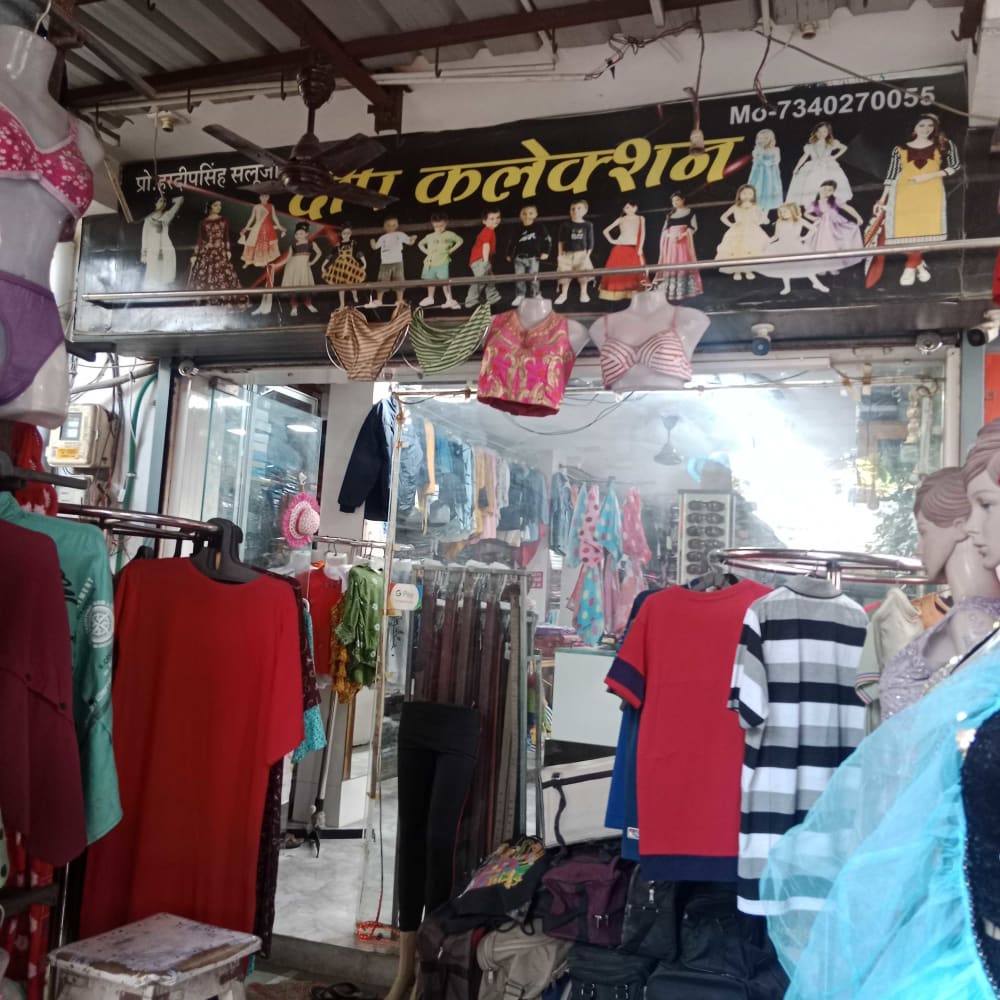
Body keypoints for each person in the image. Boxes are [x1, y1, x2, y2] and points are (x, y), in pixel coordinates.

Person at [873, 113, 961, 287]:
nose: (926, 129)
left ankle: (910, 266)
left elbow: (955, 166)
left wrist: (929, 176)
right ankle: (916, 264)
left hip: (931, 191)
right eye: (922, 125)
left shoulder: (944, 144)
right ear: (914, 128)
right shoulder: (899, 149)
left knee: (926, 228)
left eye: (930, 125)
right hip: (904, 192)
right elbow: (891, 174)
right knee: (906, 231)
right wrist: (882, 199)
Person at [755, 202, 829, 295]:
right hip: (782, 247)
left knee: (806, 268)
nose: (783, 214)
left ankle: (817, 284)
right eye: (781, 212)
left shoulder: (799, 220)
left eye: (785, 212)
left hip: (796, 247)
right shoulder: (779, 221)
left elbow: (814, 229)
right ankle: (787, 287)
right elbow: (776, 236)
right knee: (784, 268)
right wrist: (767, 243)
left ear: (792, 211)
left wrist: (804, 238)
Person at [188, 200, 248, 309]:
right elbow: (200, 239)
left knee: (224, 276)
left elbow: (226, 236)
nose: (219, 207)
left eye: (220, 205)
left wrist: (228, 250)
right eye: (216, 205)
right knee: (206, 276)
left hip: (220, 251)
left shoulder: (224, 219)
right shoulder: (203, 222)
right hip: (206, 252)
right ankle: (208, 303)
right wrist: (195, 254)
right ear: (210, 207)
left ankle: (224, 302)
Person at [785, 121, 852, 208]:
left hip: (828, 166)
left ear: (828, 132)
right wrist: (796, 168)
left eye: (824, 132)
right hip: (813, 166)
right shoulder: (810, 146)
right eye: (819, 132)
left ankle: (829, 204)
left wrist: (834, 157)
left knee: (829, 183)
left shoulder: (831, 143)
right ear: (815, 132)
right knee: (812, 184)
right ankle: (814, 205)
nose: (821, 134)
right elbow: (804, 157)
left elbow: (844, 147)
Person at [804, 180, 864, 274]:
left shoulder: (835, 200)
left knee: (834, 244)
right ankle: (822, 266)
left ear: (833, 192)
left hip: (835, 225)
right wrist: (814, 218)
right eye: (824, 189)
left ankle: (834, 265)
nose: (826, 191)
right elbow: (806, 213)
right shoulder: (814, 203)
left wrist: (858, 217)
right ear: (819, 189)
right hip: (822, 227)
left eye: (830, 190)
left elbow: (848, 208)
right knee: (823, 245)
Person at [715, 184, 769, 281]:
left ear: (753, 195)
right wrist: (732, 225)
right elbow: (723, 217)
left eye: (749, 193)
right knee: (737, 251)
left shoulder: (756, 207)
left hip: (752, 232)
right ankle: (737, 271)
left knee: (750, 250)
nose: (746, 195)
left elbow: (764, 219)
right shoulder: (736, 206)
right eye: (744, 193)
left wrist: (758, 223)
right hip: (738, 232)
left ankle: (748, 270)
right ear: (739, 195)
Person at [656, 192, 702, 301]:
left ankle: (685, 291)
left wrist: (683, 235)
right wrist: (671, 236)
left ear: (683, 200)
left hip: (684, 243)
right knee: (672, 264)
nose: (675, 203)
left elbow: (694, 227)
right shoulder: (670, 215)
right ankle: (672, 292)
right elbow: (664, 230)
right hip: (672, 244)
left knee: (683, 263)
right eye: (673, 201)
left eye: (677, 200)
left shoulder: (690, 212)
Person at [598, 200, 646, 301]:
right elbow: (605, 231)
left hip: (634, 249)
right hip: (620, 248)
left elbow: (642, 234)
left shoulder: (640, 218)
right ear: (623, 209)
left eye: (631, 207)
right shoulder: (621, 219)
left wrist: (640, 248)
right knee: (618, 274)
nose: (629, 209)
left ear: (636, 208)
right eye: (626, 207)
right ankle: (618, 297)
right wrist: (612, 241)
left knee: (633, 274)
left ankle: (631, 296)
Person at [270, 222, 321, 316]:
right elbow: (287, 258)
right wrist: (276, 265)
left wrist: (312, 262)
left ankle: (308, 304)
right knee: (294, 287)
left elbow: (319, 253)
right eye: (296, 234)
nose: (298, 235)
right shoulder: (293, 245)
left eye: (301, 233)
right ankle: (294, 306)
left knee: (306, 286)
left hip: (304, 269)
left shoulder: (311, 244)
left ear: (306, 234)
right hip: (292, 269)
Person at [505, 203, 551, 305]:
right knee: (519, 277)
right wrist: (508, 254)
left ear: (535, 214)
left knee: (534, 277)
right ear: (520, 215)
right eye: (524, 213)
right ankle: (520, 295)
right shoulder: (517, 228)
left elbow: (547, 240)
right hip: (519, 258)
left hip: (533, 257)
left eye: (530, 213)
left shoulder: (539, 226)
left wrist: (546, 252)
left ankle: (535, 294)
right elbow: (511, 242)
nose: (527, 216)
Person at [366, 214, 415, 308]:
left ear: (397, 225)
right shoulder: (383, 237)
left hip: (398, 262)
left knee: (399, 280)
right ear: (384, 226)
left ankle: (400, 300)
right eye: (388, 225)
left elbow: (410, 242)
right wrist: (372, 241)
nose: (391, 227)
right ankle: (379, 299)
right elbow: (375, 247)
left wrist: (413, 238)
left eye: (394, 225)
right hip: (385, 262)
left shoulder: (400, 234)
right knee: (382, 281)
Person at [418, 213, 463, 309]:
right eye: (436, 226)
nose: (439, 228)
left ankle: (449, 299)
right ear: (433, 225)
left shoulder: (450, 234)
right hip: (430, 263)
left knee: (445, 281)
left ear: (446, 223)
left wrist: (451, 250)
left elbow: (460, 240)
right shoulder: (429, 236)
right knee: (430, 281)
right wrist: (427, 252)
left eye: (441, 225)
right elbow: (420, 244)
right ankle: (430, 297)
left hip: (442, 262)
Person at [555, 199, 595, 305]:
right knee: (564, 274)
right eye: (572, 209)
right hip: (567, 254)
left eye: (579, 208)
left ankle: (584, 293)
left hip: (582, 254)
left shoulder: (588, 225)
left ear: (585, 211)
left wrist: (587, 255)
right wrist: (560, 255)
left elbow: (590, 241)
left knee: (583, 274)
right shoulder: (565, 225)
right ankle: (563, 294)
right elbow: (560, 241)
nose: (575, 211)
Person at [140, 193, 183, 289]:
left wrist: (173, 200)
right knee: (153, 274)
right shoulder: (148, 219)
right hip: (152, 248)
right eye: (160, 201)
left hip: (166, 248)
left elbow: (180, 201)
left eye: (164, 201)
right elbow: (144, 236)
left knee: (165, 275)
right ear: (155, 203)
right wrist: (144, 254)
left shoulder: (167, 216)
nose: (163, 203)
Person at [322, 222, 367, 308]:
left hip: (350, 265)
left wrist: (364, 263)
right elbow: (330, 255)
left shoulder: (353, 243)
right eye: (344, 233)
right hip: (340, 266)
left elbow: (359, 253)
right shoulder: (338, 245)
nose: (346, 235)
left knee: (353, 283)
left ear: (350, 233)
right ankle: (342, 303)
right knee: (341, 286)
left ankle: (355, 297)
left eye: (348, 233)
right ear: (341, 234)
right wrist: (323, 265)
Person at [464, 207, 502, 309]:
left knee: (490, 279)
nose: (496, 220)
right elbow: (486, 246)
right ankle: (470, 301)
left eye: (498, 217)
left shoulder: (490, 231)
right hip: (480, 260)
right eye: (492, 219)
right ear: (484, 221)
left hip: (482, 260)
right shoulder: (488, 231)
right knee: (480, 281)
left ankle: (493, 297)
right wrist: (485, 262)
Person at [239, 192, 285, 268]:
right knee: (252, 244)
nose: (264, 198)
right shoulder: (257, 206)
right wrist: (246, 227)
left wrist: (279, 226)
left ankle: (262, 262)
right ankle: (248, 262)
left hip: (267, 228)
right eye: (262, 196)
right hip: (257, 228)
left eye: (265, 196)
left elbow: (274, 217)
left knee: (265, 246)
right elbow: (252, 218)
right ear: (259, 197)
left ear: (268, 197)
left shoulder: (271, 206)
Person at [748, 129, 783, 215]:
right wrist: (760, 155)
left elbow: (777, 160)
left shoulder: (775, 149)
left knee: (769, 191)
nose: (762, 140)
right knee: (758, 190)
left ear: (770, 139)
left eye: (765, 138)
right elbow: (756, 160)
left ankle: (765, 214)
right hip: (759, 174)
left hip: (771, 174)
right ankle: (757, 213)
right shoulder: (757, 149)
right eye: (760, 138)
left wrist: (768, 163)